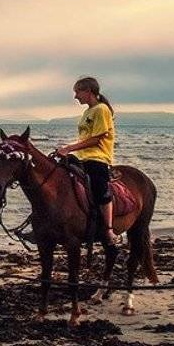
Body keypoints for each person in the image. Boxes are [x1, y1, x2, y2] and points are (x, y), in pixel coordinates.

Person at [55, 76, 116, 247]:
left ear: (88, 91)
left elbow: (97, 139)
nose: (75, 96)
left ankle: (108, 229)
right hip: (82, 157)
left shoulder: (101, 109)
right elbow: (84, 138)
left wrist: (69, 148)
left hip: (97, 158)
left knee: (99, 187)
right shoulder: (87, 112)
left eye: (77, 92)